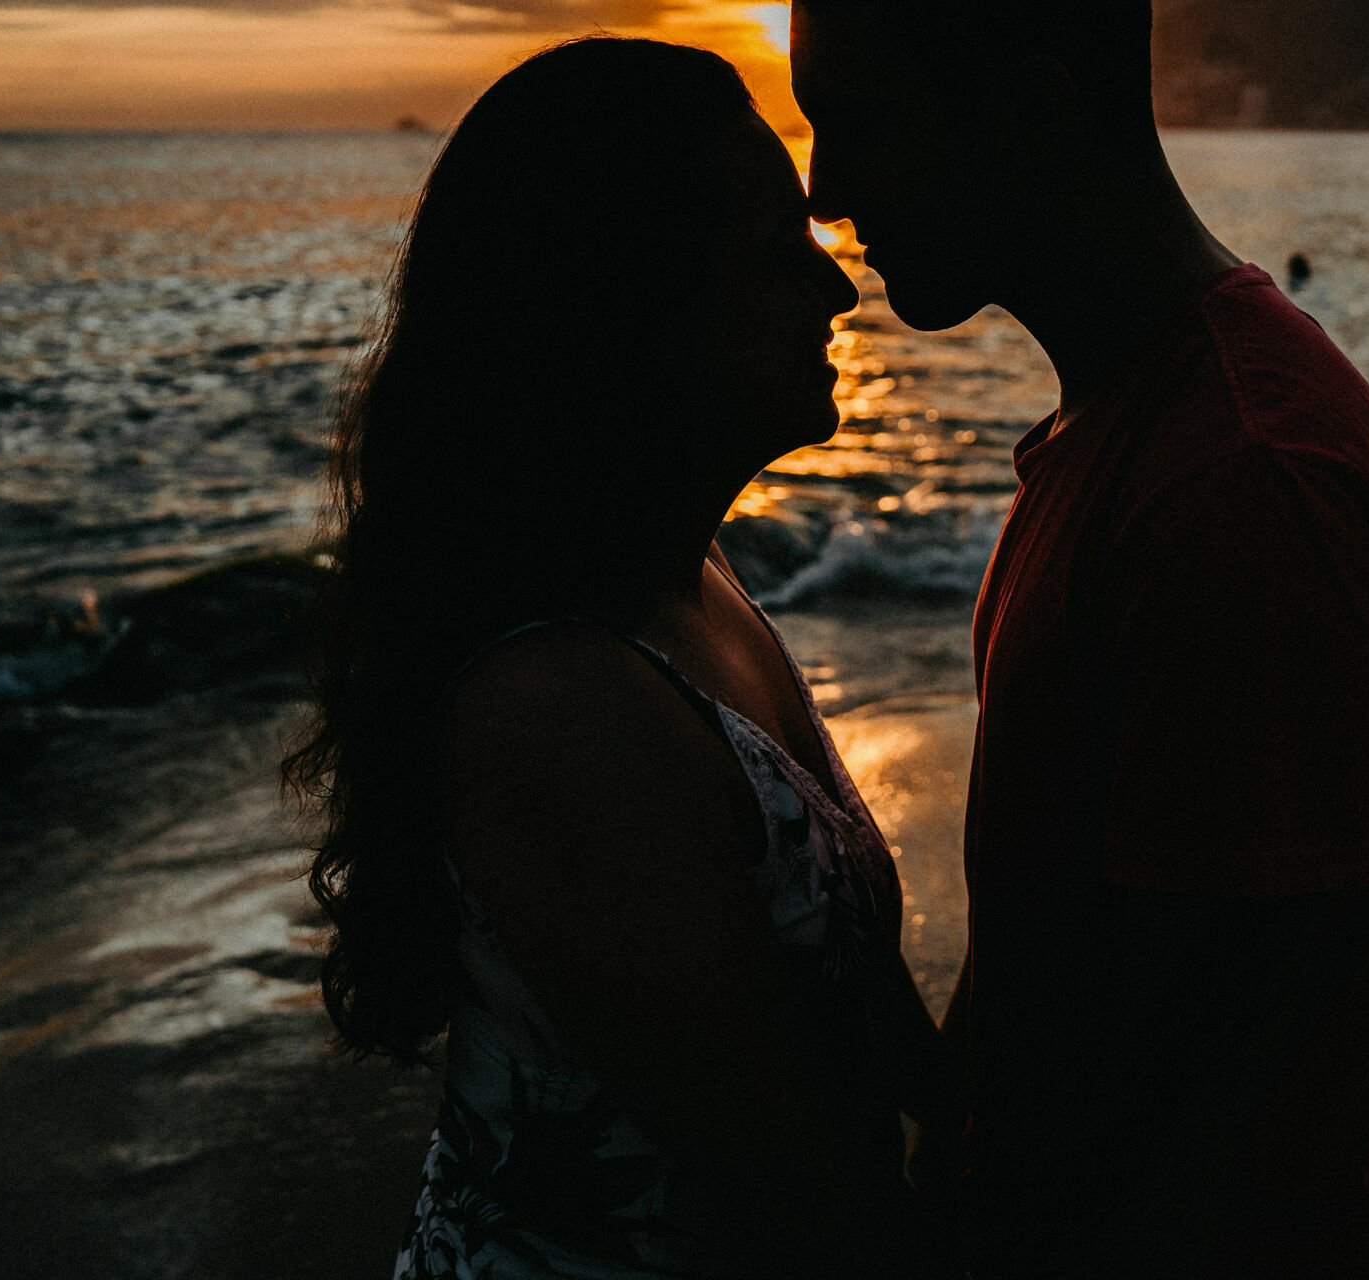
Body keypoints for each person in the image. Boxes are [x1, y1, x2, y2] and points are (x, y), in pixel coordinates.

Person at [284, 38, 960, 1280]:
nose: (836, 293)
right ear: (638, 315)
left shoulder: (692, 588)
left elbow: (873, 1034)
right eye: (775, 253)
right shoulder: (560, 709)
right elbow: (807, 1208)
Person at [791, 3, 1369, 1277]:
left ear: (1033, 116)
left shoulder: (1241, 479)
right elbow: (1082, 957)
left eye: (860, 125)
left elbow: (1208, 1080)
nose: (824, 190)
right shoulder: (1145, 426)